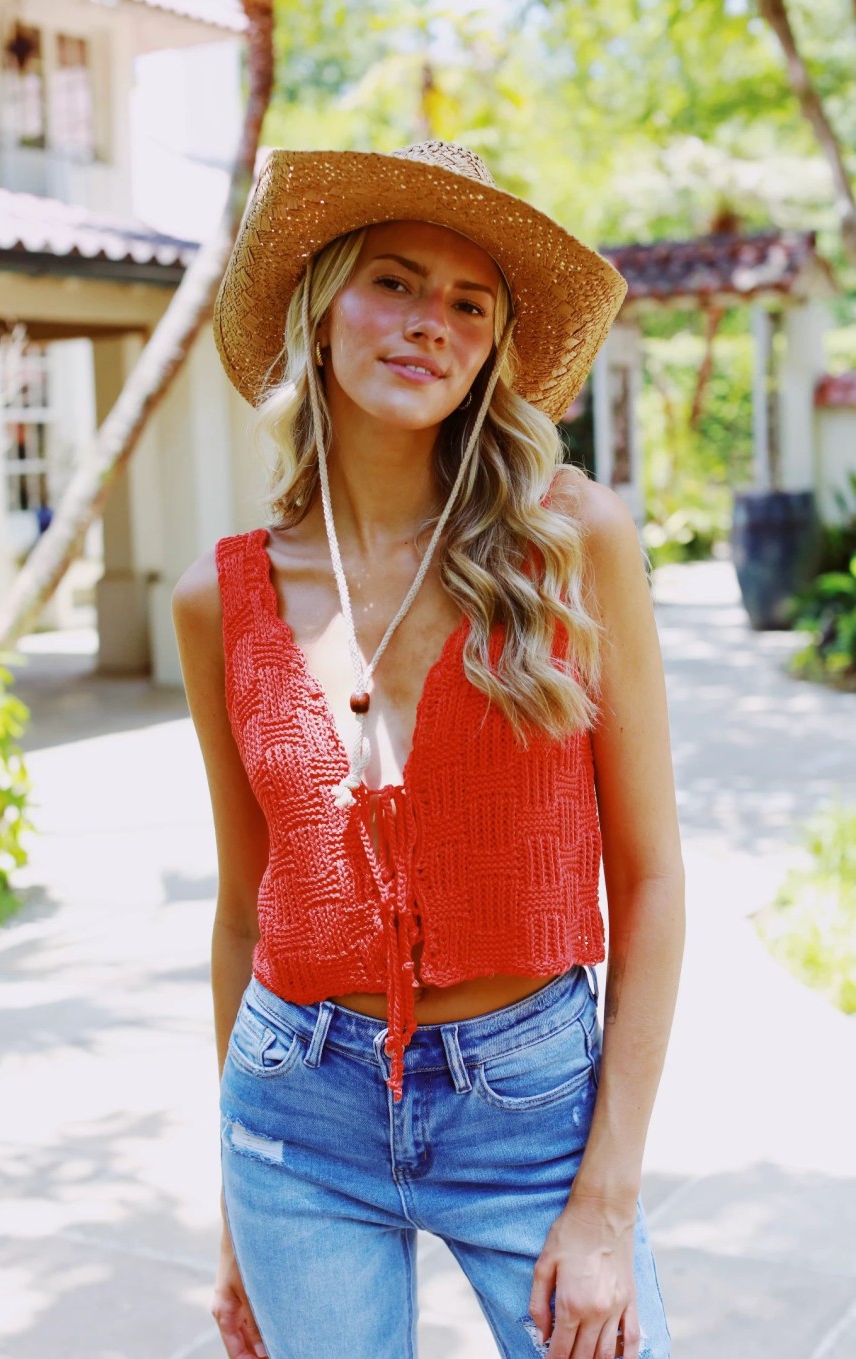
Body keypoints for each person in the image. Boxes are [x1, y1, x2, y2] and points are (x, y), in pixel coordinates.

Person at [172, 141, 684, 1359]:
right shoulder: (219, 598)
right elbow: (247, 911)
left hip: (533, 1109)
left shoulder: (571, 542)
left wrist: (605, 1206)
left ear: (496, 347)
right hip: (295, 1117)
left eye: (469, 303)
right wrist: (238, 1215)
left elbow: (652, 876)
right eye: (394, 283)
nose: (429, 325)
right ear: (322, 305)